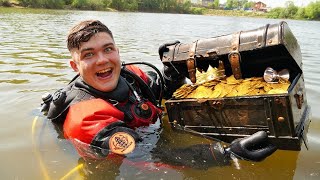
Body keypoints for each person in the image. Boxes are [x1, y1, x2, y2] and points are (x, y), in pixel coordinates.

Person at [41, 20, 277, 171]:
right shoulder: (86, 118)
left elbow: (160, 93)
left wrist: (172, 74)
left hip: (151, 135)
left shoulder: (131, 75)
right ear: (75, 66)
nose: (102, 60)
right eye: (89, 54)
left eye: (108, 49)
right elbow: (146, 156)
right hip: (121, 167)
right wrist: (224, 154)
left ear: (117, 50)